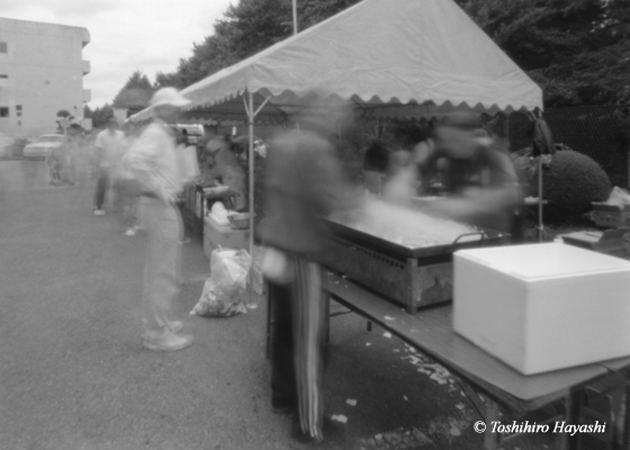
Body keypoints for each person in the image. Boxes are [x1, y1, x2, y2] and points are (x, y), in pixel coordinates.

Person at [259, 99, 359, 449]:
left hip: (275, 248)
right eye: (337, 116)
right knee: (309, 342)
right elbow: (333, 198)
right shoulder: (315, 147)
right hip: (300, 253)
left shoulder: (283, 142)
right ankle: (308, 424)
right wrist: (365, 204)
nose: (338, 123)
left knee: (286, 330)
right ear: (324, 114)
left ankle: (282, 397)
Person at [123, 87, 193, 352]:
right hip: (158, 205)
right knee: (161, 271)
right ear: (162, 108)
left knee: (166, 269)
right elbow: (135, 160)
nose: (179, 110)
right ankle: (156, 332)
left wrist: (169, 185)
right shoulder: (155, 132)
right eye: (174, 106)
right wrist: (163, 189)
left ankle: (162, 322)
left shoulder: (161, 132)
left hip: (161, 204)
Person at [386, 112, 522, 237]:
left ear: (469, 136)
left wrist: (467, 205)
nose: (448, 145)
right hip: (465, 234)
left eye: (454, 139)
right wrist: (400, 183)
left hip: (495, 236)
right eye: (445, 139)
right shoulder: (446, 151)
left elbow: (511, 194)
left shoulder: (492, 155)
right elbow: (415, 171)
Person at [204, 135, 248, 211]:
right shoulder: (226, 150)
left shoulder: (220, 153)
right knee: (238, 200)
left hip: (232, 179)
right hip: (236, 176)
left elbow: (218, 170)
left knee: (234, 203)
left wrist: (207, 174)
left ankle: (236, 215)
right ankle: (238, 213)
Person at [93, 118, 125, 215]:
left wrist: (119, 158)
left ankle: (119, 206)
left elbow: (123, 148)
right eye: (111, 125)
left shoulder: (121, 135)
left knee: (119, 186)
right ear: (108, 126)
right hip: (105, 164)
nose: (113, 127)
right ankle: (98, 207)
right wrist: (108, 158)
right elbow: (98, 149)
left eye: (114, 125)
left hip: (118, 164)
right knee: (102, 186)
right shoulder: (101, 135)